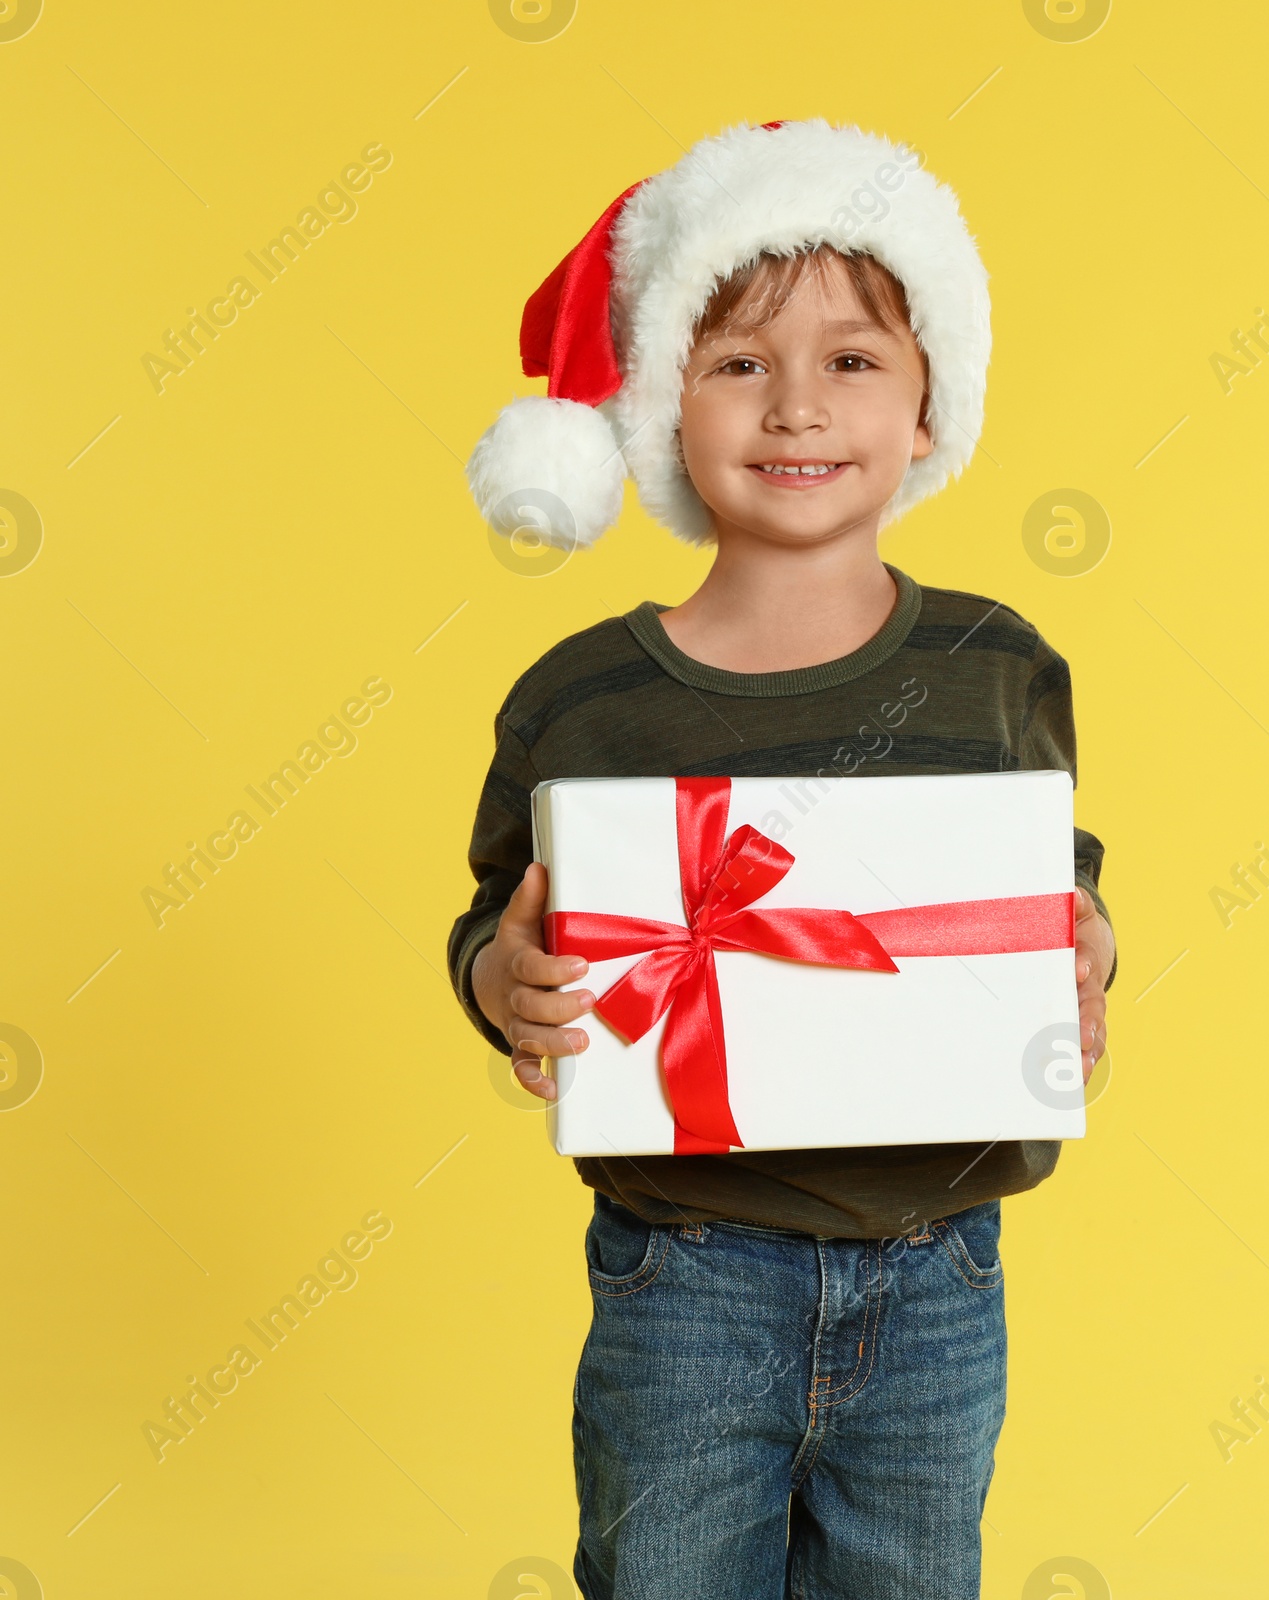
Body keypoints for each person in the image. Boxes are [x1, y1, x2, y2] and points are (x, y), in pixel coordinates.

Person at [446, 118, 1117, 1600]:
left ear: (931, 401)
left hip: (941, 1271)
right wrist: (505, 979)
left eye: (854, 360)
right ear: (655, 406)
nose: (796, 406)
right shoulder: (582, 700)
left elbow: (1052, 874)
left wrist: (1086, 949)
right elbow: (500, 923)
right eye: (738, 360)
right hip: (686, 1274)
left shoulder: (996, 662)